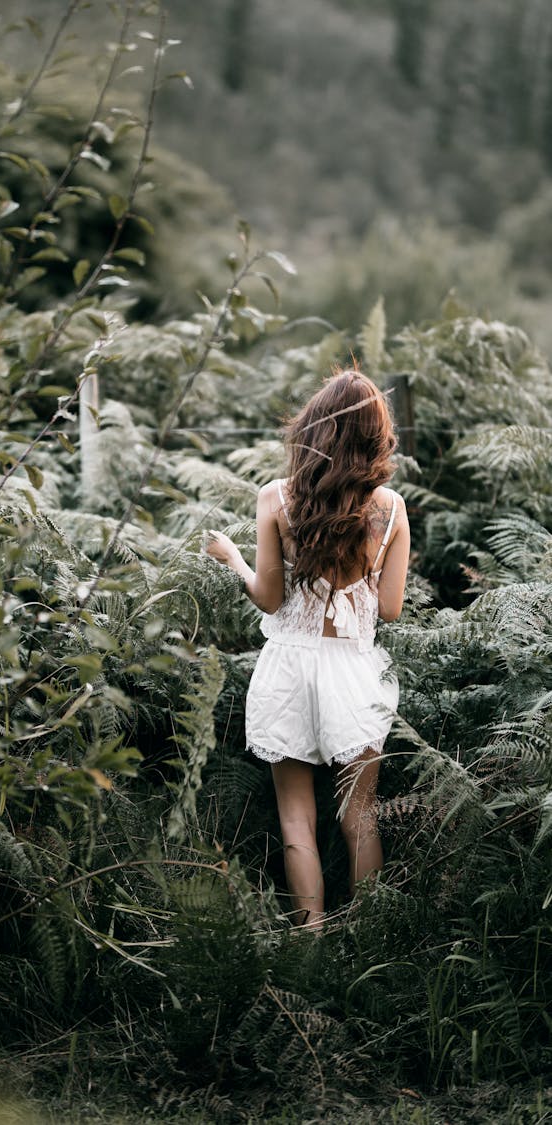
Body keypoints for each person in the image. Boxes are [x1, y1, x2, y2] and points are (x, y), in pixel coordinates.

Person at [205, 368, 410, 930]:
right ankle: (367, 940)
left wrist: (234, 559)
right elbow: (390, 609)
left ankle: (309, 942)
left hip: (289, 670)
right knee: (360, 816)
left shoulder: (276, 498)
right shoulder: (390, 510)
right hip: (354, 674)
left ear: (314, 428)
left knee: (296, 817)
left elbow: (269, 599)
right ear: (377, 437)